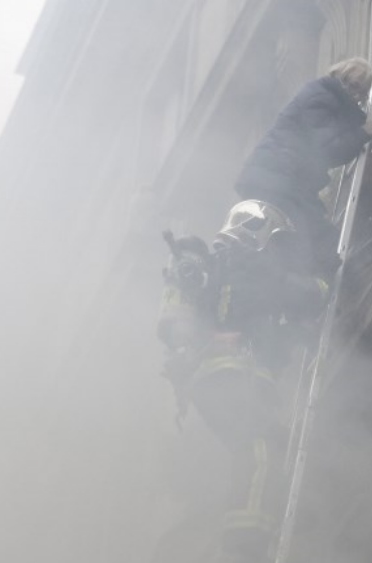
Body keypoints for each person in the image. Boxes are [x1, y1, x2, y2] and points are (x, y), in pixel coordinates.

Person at [157, 200, 329, 563]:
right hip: (229, 375)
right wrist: (323, 279)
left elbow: (266, 324)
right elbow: (306, 295)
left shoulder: (228, 266)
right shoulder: (249, 264)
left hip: (236, 380)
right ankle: (246, 541)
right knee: (260, 448)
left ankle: (278, 516)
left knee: (269, 444)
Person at [232, 57, 372, 278]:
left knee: (311, 243)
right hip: (279, 182)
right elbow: (327, 148)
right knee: (317, 243)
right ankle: (328, 289)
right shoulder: (322, 98)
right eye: (354, 86)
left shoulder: (327, 97)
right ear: (340, 78)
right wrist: (362, 134)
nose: (356, 95)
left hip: (281, 180)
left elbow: (344, 119)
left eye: (362, 93)